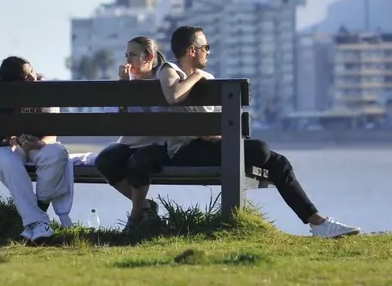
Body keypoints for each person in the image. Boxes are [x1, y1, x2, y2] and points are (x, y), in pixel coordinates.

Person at [157, 25, 361, 239]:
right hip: (185, 151)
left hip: (210, 146)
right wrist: (197, 76)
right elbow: (174, 96)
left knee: (278, 162)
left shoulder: (208, 77)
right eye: (205, 47)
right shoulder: (170, 70)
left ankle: (318, 222)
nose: (208, 51)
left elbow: (215, 124)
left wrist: (214, 132)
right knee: (260, 149)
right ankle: (314, 223)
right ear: (191, 50)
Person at [0, 56, 74, 243]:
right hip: (11, 147)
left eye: (32, 71)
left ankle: (35, 222)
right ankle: (39, 224)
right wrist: (13, 140)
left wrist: (37, 144)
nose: (33, 78)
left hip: (38, 146)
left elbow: (52, 136)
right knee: (6, 160)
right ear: (11, 84)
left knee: (57, 153)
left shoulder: (45, 91)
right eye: (26, 77)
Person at [93, 36, 171, 231]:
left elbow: (159, 117)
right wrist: (125, 89)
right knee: (105, 161)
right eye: (127, 55)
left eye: (133, 55)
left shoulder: (165, 79)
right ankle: (145, 207)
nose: (128, 61)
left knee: (138, 163)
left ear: (149, 57)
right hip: (130, 143)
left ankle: (135, 217)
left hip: (159, 145)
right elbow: (113, 119)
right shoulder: (127, 82)